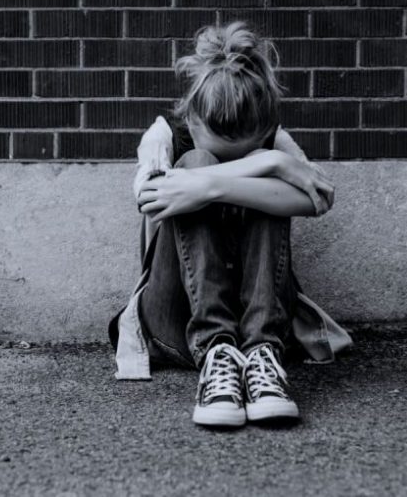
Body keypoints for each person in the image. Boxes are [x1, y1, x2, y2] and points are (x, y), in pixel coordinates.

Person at [108, 21, 352, 428]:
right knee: (195, 162)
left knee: (250, 178)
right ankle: (216, 352)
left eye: (250, 151)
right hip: (177, 322)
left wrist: (241, 174)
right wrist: (257, 168)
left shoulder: (274, 143)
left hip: (261, 320)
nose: (236, 160)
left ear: (264, 130)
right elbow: (150, 198)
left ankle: (261, 357)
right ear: (192, 119)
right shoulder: (164, 134)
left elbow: (319, 198)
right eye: (223, 152)